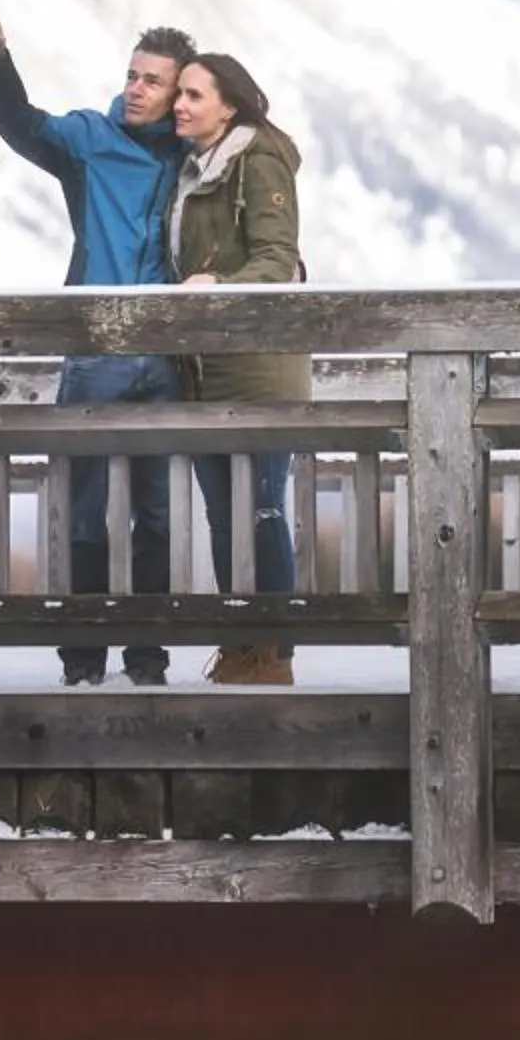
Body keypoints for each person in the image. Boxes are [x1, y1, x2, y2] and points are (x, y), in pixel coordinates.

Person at [0, 1, 195, 686]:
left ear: (178, 94)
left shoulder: (193, 158)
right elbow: (21, 124)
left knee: (155, 516)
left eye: (153, 81)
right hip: (94, 353)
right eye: (133, 74)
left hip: (162, 357)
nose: (136, 88)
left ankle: (148, 657)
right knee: (85, 515)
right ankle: (82, 658)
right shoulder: (90, 139)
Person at [163, 51, 307, 687]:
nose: (180, 105)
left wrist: (216, 286)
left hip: (259, 368)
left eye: (194, 95)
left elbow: (279, 259)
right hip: (205, 368)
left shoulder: (258, 158)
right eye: (180, 94)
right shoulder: (193, 169)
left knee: (262, 510)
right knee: (223, 513)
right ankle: (239, 645)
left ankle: (272, 652)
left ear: (231, 105)